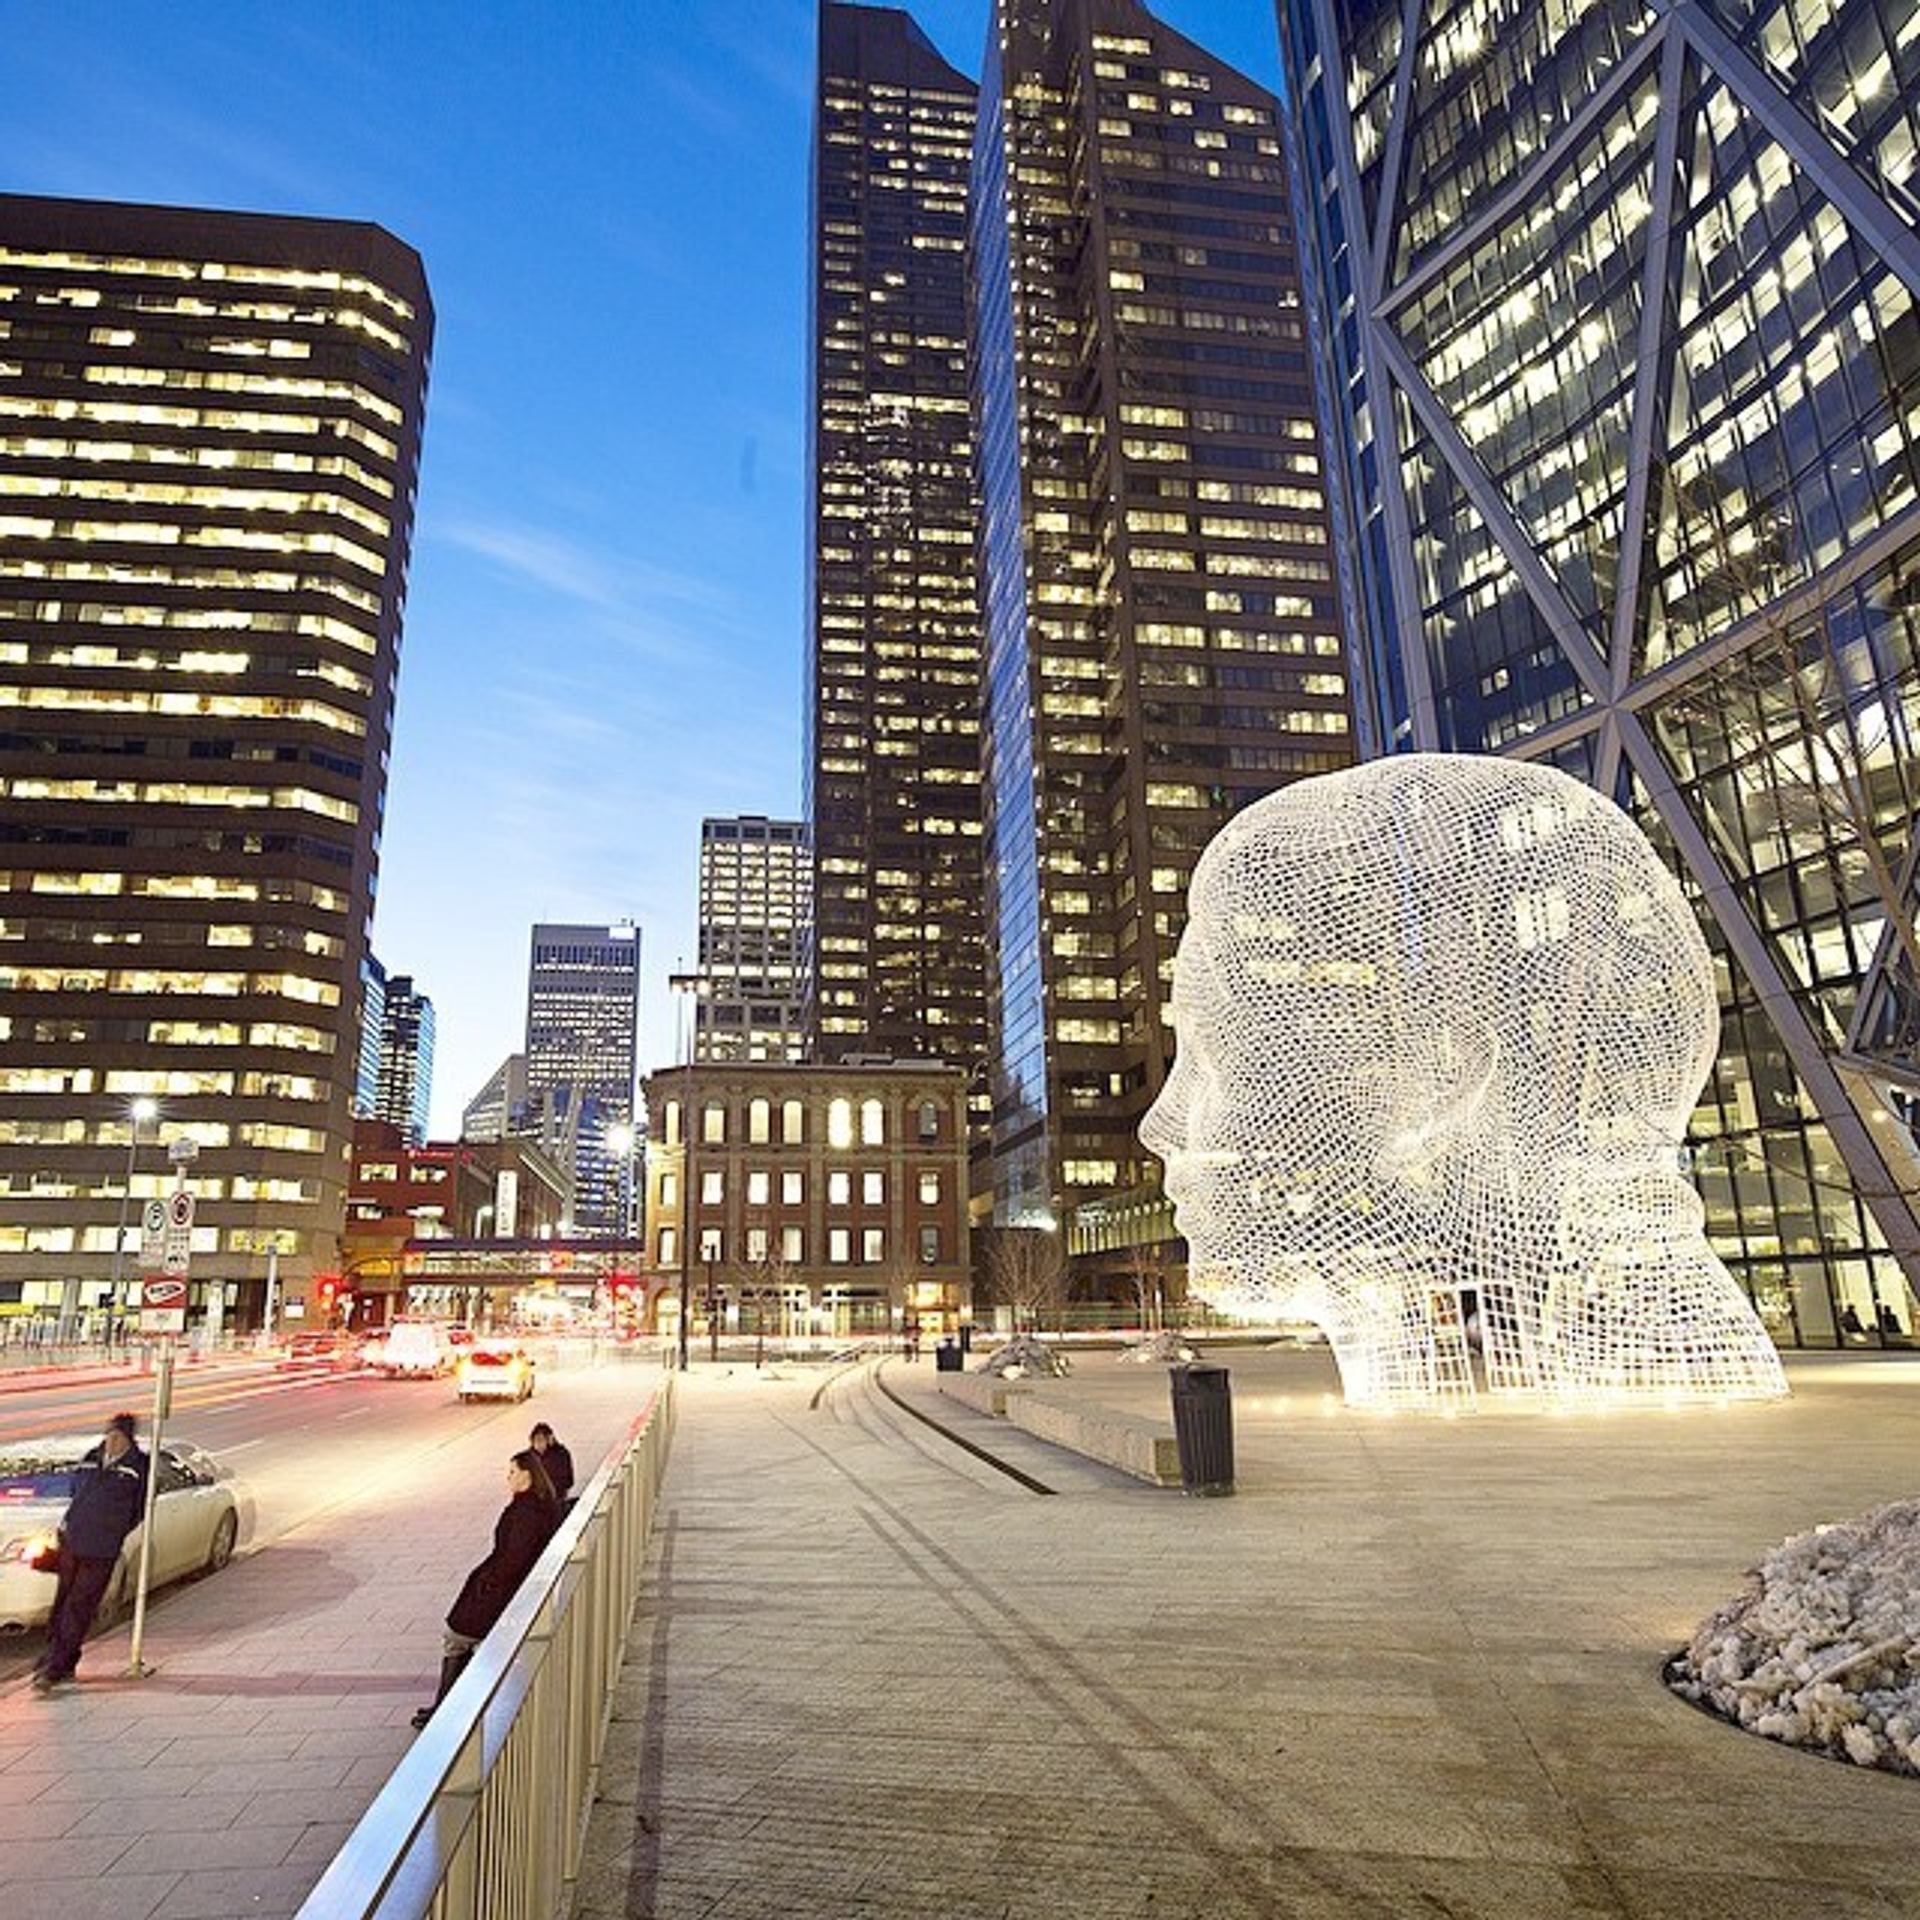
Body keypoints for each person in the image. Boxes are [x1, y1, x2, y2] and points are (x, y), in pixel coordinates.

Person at [411, 1449, 559, 1729]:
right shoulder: (537, 1505)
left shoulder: (526, 1512)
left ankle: (446, 1708)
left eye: (512, 1472)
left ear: (527, 1474)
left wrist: (488, 1582)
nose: (508, 1477)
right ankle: (445, 1705)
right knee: (463, 1642)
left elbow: (514, 1558)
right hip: (508, 1587)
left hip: (501, 1591)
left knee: (456, 1636)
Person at [32, 1411, 150, 1695]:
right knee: (62, 1606)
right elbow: (76, 1490)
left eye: (118, 1436)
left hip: (101, 1550)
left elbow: (139, 1509)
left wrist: (113, 1532)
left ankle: (54, 1668)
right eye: (109, 1434)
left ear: (128, 1439)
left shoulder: (138, 1466)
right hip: (72, 1542)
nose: (111, 1440)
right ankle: (61, 1660)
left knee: (78, 1608)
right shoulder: (91, 1457)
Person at [529, 1422, 574, 1506]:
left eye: (541, 1440)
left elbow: (568, 1480)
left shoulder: (561, 1454)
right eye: (535, 1441)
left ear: (549, 1439)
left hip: (556, 1497)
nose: (538, 1445)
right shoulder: (529, 1457)